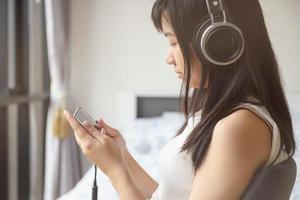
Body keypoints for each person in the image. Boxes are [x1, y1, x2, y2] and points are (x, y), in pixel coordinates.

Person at [64, 0, 296, 199]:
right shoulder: (223, 115)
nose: (169, 58)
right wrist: (122, 155)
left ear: (218, 42)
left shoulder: (239, 126)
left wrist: (115, 171)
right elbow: (170, 194)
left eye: (173, 42)